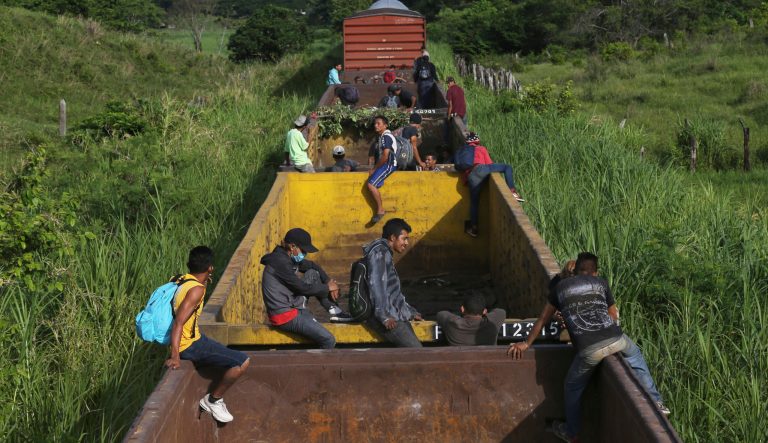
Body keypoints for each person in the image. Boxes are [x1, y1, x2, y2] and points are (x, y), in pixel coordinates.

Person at [507, 252, 670, 443]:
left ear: (575, 270)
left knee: (572, 386)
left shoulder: (559, 288)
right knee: (635, 356)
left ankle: (572, 432)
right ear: (595, 272)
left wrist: (526, 343)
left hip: (589, 349)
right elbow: (613, 316)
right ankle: (657, 402)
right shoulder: (601, 283)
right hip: (616, 338)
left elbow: (542, 319)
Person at [165, 246, 250, 423]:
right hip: (189, 345)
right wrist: (175, 355)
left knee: (219, 348)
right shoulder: (197, 290)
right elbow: (179, 322)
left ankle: (213, 399)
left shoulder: (181, 279)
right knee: (242, 362)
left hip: (194, 338)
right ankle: (213, 400)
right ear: (210, 268)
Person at [260, 228, 345, 349]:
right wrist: (327, 287)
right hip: (284, 315)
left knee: (313, 273)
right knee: (328, 340)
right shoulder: (280, 262)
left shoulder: (287, 256)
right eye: (303, 251)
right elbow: (303, 289)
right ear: (292, 246)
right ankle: (316, 366)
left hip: (292, 304)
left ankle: (334, 311)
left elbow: (312, 265)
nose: (304, 254)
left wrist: (327, 281)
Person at [363, 218, 423, 347]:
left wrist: (409, 312)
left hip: (391, 314)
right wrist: (383, 316)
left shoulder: (385, 252)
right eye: (404, 238)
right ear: (392, 237)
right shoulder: (380, 253)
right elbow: (377, 285)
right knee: (417, 352)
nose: (406, 243)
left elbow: (392, 291)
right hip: (383, 317)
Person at [459, 132, 523, 237]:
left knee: (474, 203)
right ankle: (513, 192)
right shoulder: (481, 148)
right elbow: (489, 164)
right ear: (477, 141)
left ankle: (474, 228)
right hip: (480, 169)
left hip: (471, 177)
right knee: (507, 167)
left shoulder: (463, 152)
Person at [437, 294, 506, 346]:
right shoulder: (493, 321)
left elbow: (441, 314)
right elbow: (501, 311)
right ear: (484, 311)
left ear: (462, 309)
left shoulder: (452, 323)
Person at [367, 115, 397, 225]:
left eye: (379, 123)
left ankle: (380, 210)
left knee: (371, 185)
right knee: (374, 183)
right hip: (386, 164)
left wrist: (375, 169)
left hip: (388, 164)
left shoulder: (386, 137)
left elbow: (385, 156)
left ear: (385, 125)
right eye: (375, 123)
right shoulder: (383, 137)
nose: (376, 125)